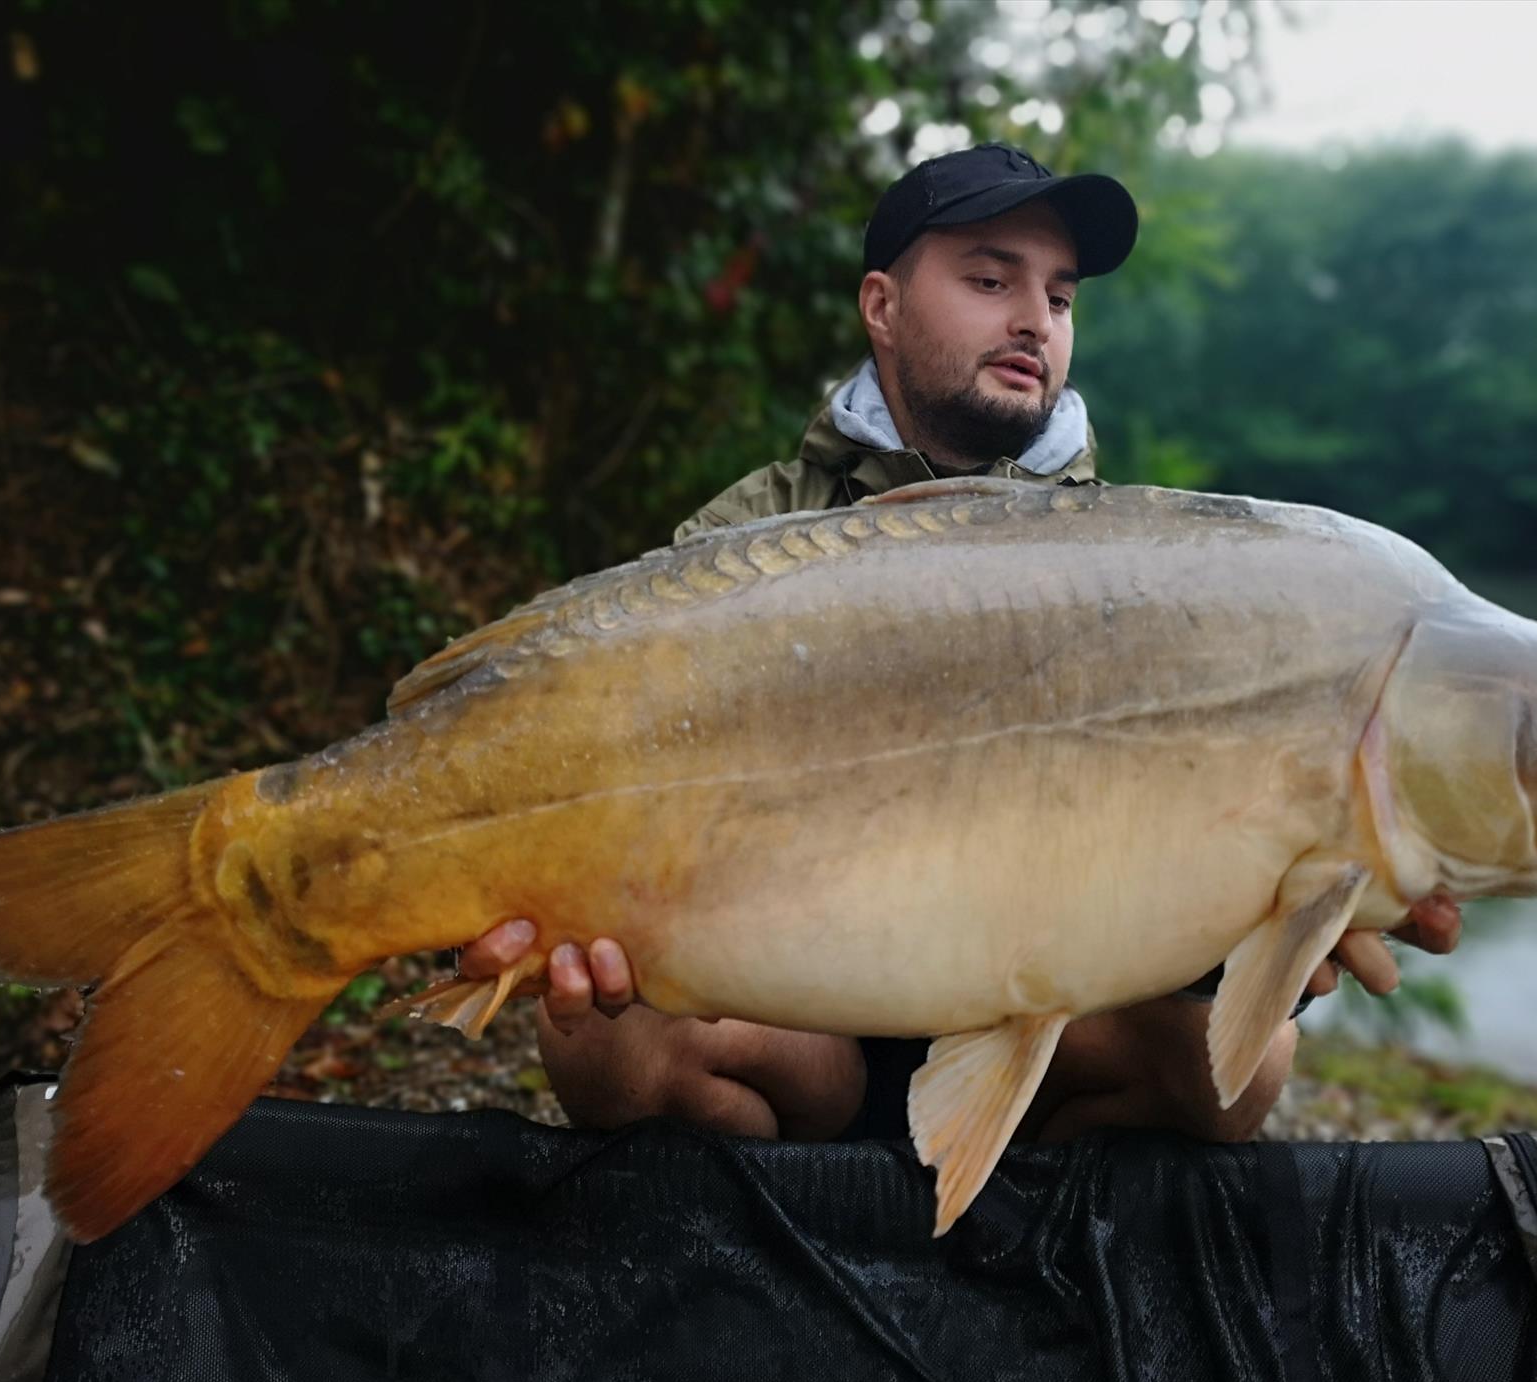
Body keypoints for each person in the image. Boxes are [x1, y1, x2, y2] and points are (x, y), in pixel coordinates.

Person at [452, 142, 1462, 1148]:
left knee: (1237, 1073)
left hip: (1034, 1017)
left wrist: (1278, 933)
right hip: (802, 1018)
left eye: (1060, 298)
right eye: (990, 279)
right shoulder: (750, 536)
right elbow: (611, 766)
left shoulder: (1142, 571)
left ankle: (1016, 1261)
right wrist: (556, 905)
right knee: (604, 1044)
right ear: (882, 307)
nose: (1035, 320)